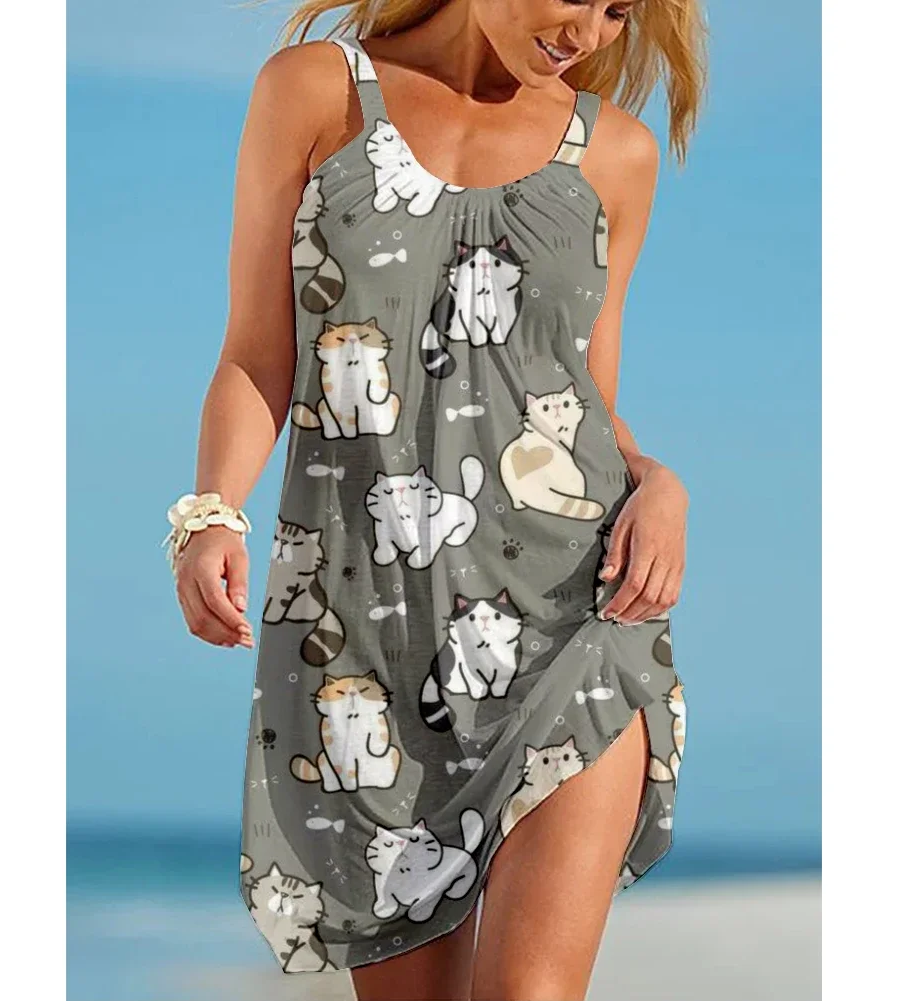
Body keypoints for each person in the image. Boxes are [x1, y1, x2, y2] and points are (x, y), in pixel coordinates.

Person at [164, 1, 705, 997]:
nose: (589, 32)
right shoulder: (316, 92)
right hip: (369, 644)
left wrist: (659, 483)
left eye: (618, 11)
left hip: (571, 619)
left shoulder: (613, 156)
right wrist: (210, 511)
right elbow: (255, 351)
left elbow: (581, 397)